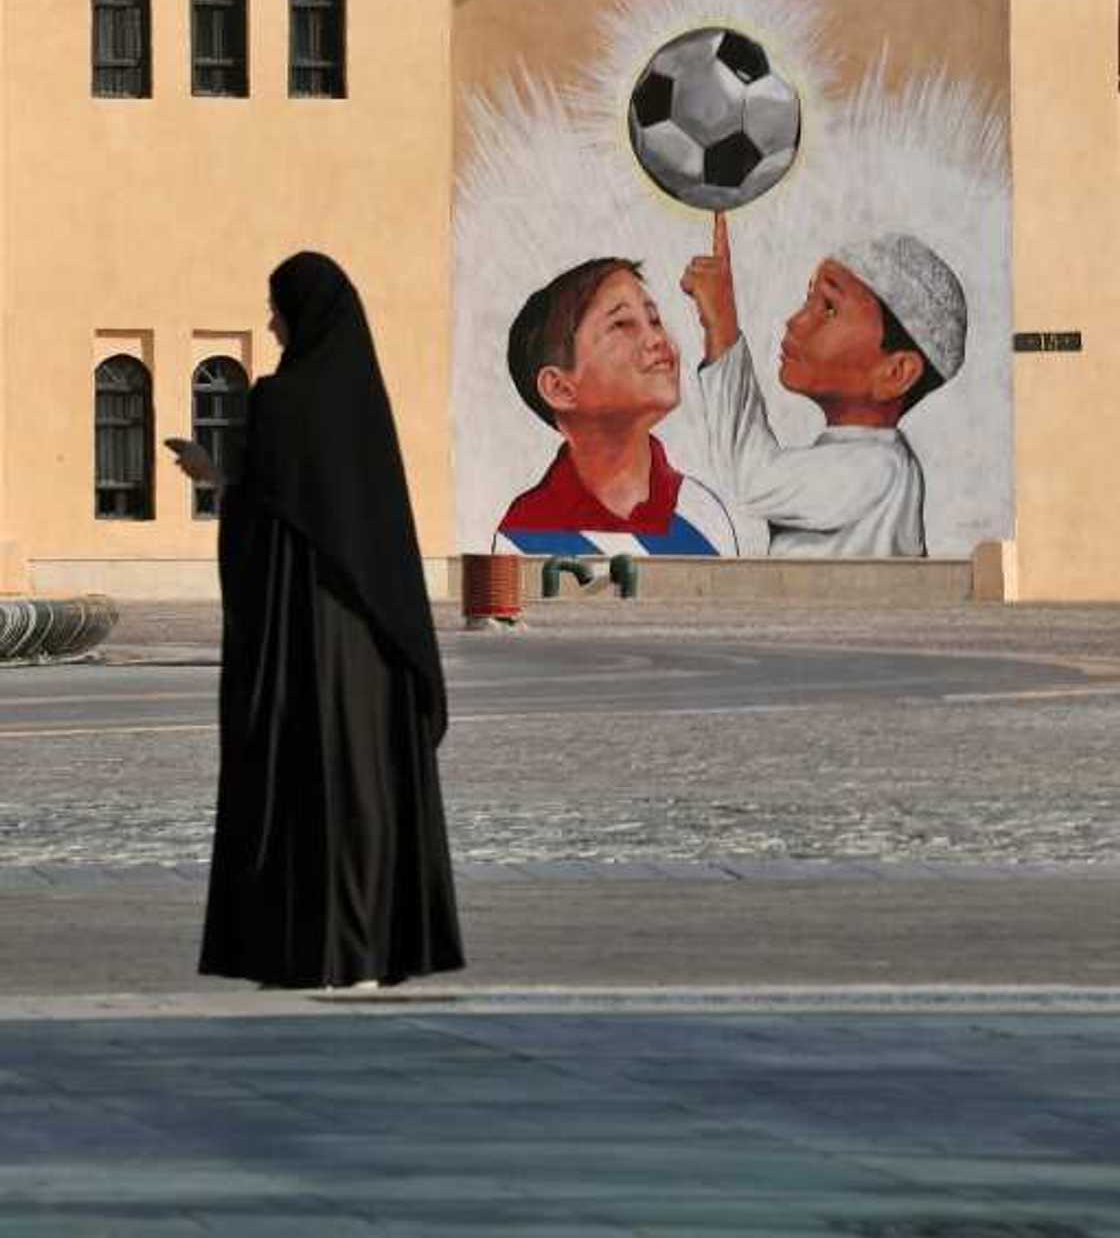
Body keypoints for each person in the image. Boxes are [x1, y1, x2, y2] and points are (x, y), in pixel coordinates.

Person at [170, 252, 463, 990]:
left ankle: (312, 951)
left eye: (276, 307)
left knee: (306, 788)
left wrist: (218, 482)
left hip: (305, 641)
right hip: (371, 644)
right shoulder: (365, 408)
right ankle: (365, 955)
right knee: (366, 792)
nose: (270, 321)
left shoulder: (280, 401)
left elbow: (268, 522)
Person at [681, 214, 967, 557]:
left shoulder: (875, 469)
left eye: (829, 309)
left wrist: (722, 326)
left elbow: (751, 480)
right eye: (809, 299)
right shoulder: (868, 460)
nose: (796, 321)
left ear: (896, 373)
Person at [495, 257, 737, 556]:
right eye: (622, 324)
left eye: (654, 320)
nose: (656, 339)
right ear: (559, 388)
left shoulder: (703, 514)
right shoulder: (522, 534)